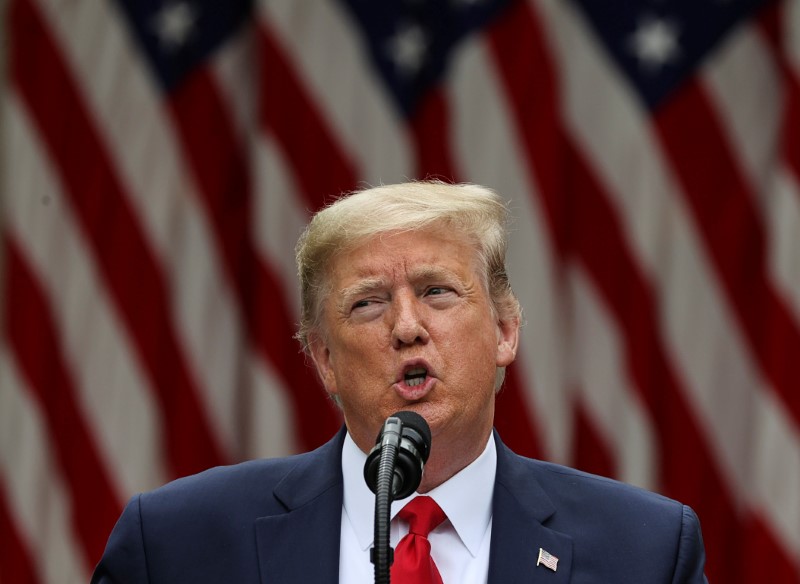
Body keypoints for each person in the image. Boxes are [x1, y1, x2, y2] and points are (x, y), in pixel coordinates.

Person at [92, 181, 707, 583]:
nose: (407, 327)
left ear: (505, 331)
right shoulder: (176, 545)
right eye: (367, 303)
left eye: (437, 292)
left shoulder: (644, 554)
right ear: (323, 358)